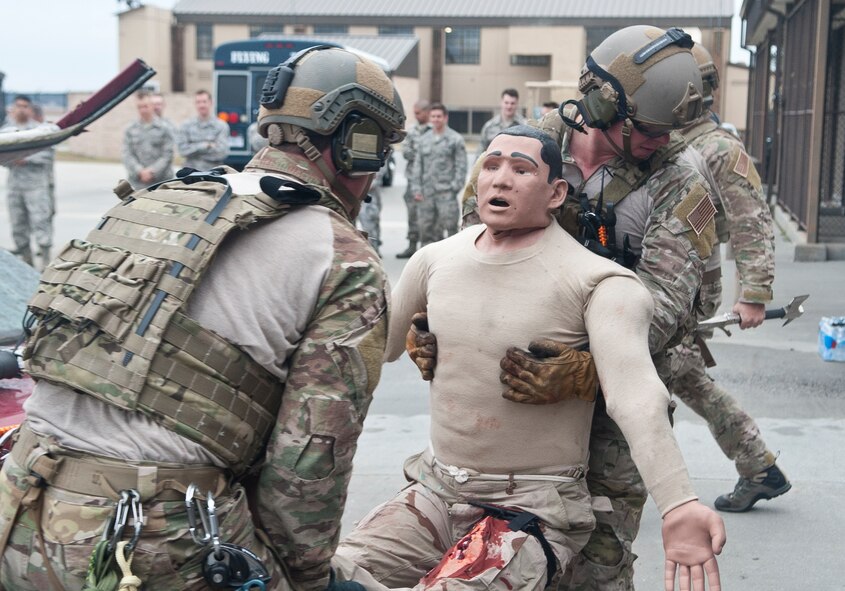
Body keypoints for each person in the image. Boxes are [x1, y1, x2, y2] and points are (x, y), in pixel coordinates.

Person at [0, 46, 406, 591]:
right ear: (352, 144)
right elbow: (309, 465)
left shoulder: (155, 200)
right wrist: (305, 578)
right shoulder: (344, 257)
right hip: (148, 542)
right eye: (373, 148)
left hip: (19, 510)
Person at [334, 126, 725, 591]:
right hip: (435, 493)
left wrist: (679, 503)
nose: (501, 179)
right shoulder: (433, 260)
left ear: (556, 192)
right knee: (325, 573)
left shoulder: (600, 282)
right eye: (492, 165)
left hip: (531, 506)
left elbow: (636, 395)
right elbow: (372, 348)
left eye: (522, 170)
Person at [415, 26, 720, 591]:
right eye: (650, 129)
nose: (663, 140)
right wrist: (437, 329)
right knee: (487, 557)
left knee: (596, 566)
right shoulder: (520, 151)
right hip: (513, 400)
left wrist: (588, 368)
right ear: (606, 105)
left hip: (613, 403)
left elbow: (669, 305)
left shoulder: (680, 181)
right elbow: (471, 251)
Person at [670, 43, 788, 512]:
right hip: (668, 275)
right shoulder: (671, 140)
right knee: (686, 377)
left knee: (667, 373)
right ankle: (759, 466)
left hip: (691, 280)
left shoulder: (717, 148)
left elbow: (749, 219)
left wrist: (755, 293)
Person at [0, 95, 54, 269]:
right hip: (15, 186)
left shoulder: (39, 131)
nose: (21, 109)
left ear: (30, 109)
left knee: (41, 222)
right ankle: (27, 260)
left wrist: (26, 159)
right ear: (13, 109)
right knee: (18, 224)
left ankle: (45, 262)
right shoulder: (7, 132)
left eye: (25, 106)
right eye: (18, 106)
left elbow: (48, 154)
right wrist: (11, 159)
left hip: (36, 186)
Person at [409, 103, 467, 246]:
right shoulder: (424, 140)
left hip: (446, 193)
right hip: (426, 194)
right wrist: (416, 189)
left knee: (451, 229)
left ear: (445, 118)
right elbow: (418, 166)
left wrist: (455, 187)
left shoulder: (455, 139)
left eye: (439, 116)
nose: (436, 119)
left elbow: (461, 166)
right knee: (426, 229)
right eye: (433, 116)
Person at [396, 100, 431, 258]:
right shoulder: (411, 131)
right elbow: (406, 152)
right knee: (412, 214)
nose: (416, 116)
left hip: (430, 180)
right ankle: (412, 244)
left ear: (426, 112)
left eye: (418, 113)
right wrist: (422, 154)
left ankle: (426, 247)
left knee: (428, 215)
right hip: (412, 180)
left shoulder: (434, 131)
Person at [122, 91, 175, 189]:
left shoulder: (165, 128)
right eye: (139, 107)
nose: (143, 110)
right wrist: (140, 171)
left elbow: (168, 155)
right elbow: (127, 154)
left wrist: (152, 171)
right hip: (137, 183)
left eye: (145, 106)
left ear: (151, 106)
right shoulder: (130, 129)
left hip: (161, 183)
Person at [177, 89, 230, 171]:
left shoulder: (221, 126)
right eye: (198, 102)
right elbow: (182, 151)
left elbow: (222, 153)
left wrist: (193, 151)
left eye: (204, 102)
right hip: (190, 174)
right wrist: (207, 145)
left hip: (213, 174)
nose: (201, 105)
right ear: (195, 104)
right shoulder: (186, 126)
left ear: (211, 103)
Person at [477, 88, 526, 157]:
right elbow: (480, 152)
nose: (509, 106)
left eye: (512, 103)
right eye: (506, 103)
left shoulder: (525, 127)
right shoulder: (489, 126)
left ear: (517, 104)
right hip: (493, 165)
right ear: (501, 103)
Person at [31, 103, 56, 223]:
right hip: (27, 186)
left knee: (45, 215)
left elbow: (48, 155)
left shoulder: (45, 131)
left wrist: (24, 159)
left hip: (44, 183)